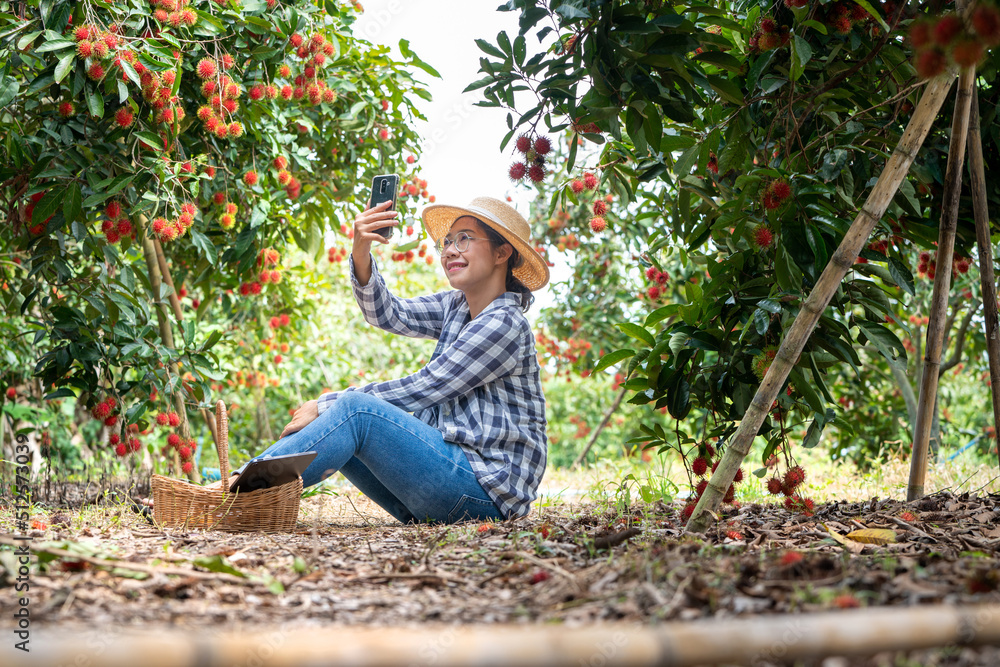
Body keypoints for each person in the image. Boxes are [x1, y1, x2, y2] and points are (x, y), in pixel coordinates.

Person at [149, 196, 550, 525]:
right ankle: (231, 487)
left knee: (354, 411)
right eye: (447, 241)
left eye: (465, 238)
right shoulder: (455, 308)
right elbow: (389, 314)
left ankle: (229, 493)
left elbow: (428, 387)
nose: (450, 249)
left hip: (483, 495)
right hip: (443, 490)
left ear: (502, 252)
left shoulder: (504, 323)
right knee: (346, 422)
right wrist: (362, 251)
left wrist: (329, 403)